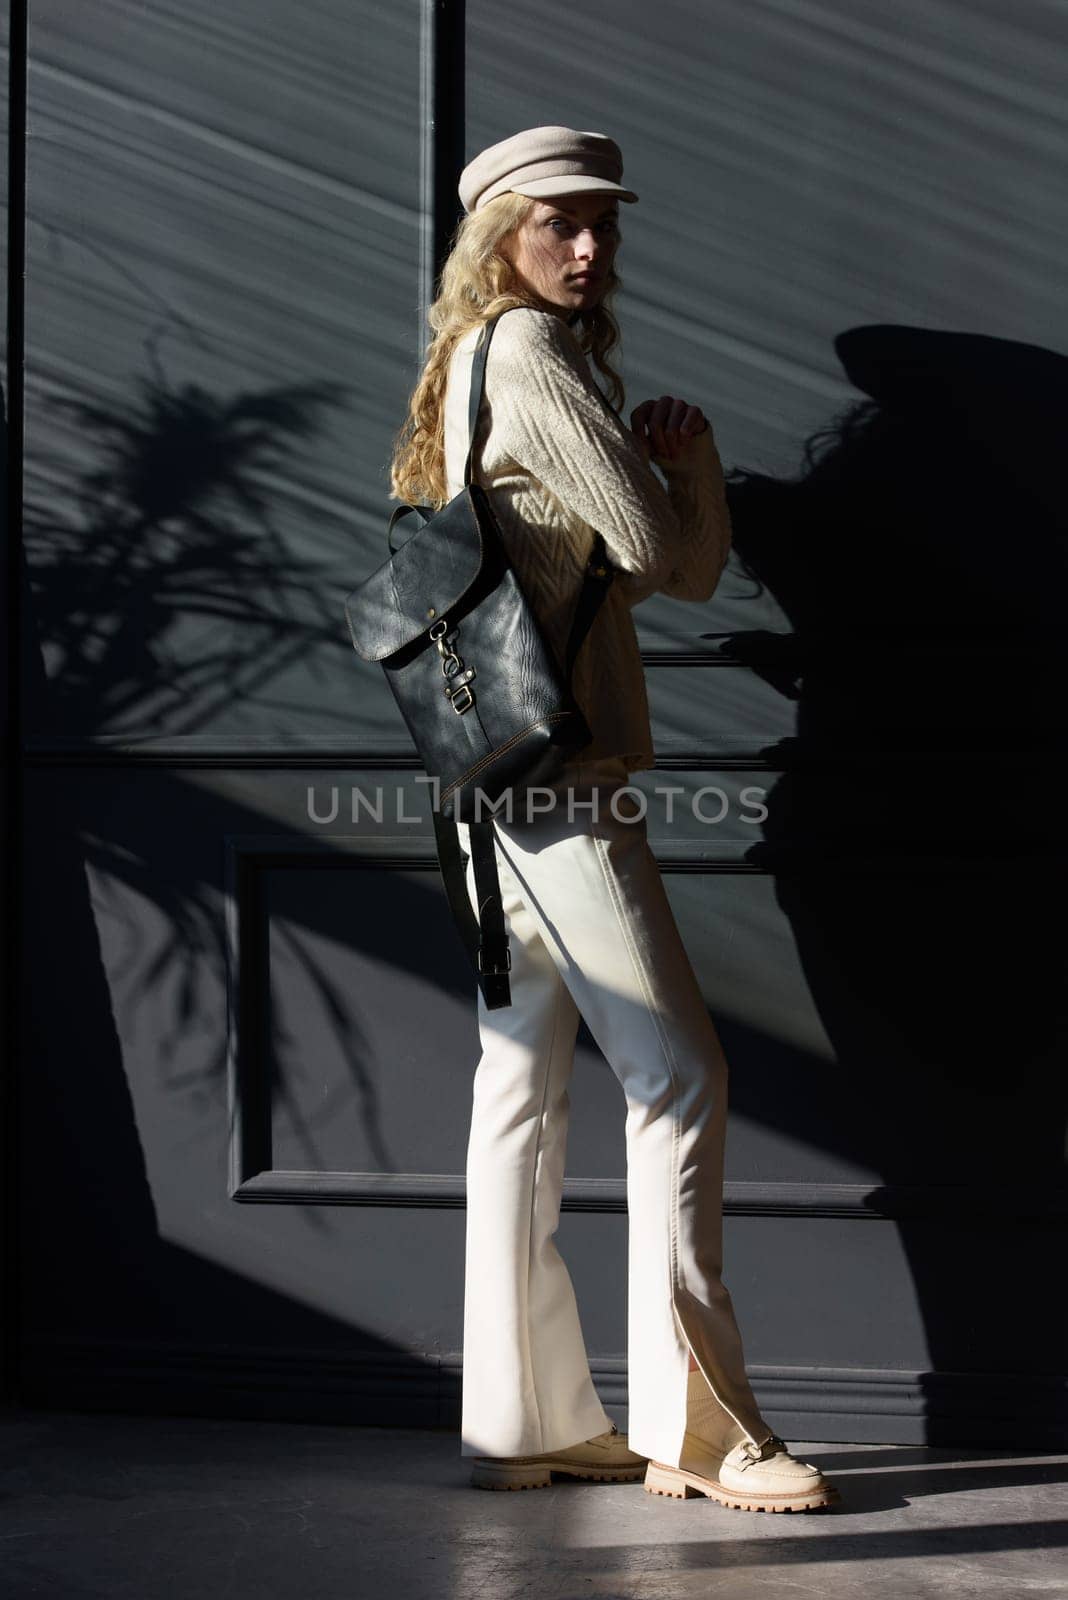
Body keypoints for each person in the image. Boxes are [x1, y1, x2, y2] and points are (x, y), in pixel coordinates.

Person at [390, 126, 840, 1513]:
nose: (588, 248)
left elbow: (634, 566)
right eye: (558, 224)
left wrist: (668, 478)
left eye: (603, 226)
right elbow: (667, 560)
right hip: (564, 780)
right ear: (499, 237)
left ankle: (517, 1421)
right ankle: (702, 1432)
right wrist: (682, 475)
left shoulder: (467, 365)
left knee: (521, 1087)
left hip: (482, 781)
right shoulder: (530, 359)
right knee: (679, 1075)